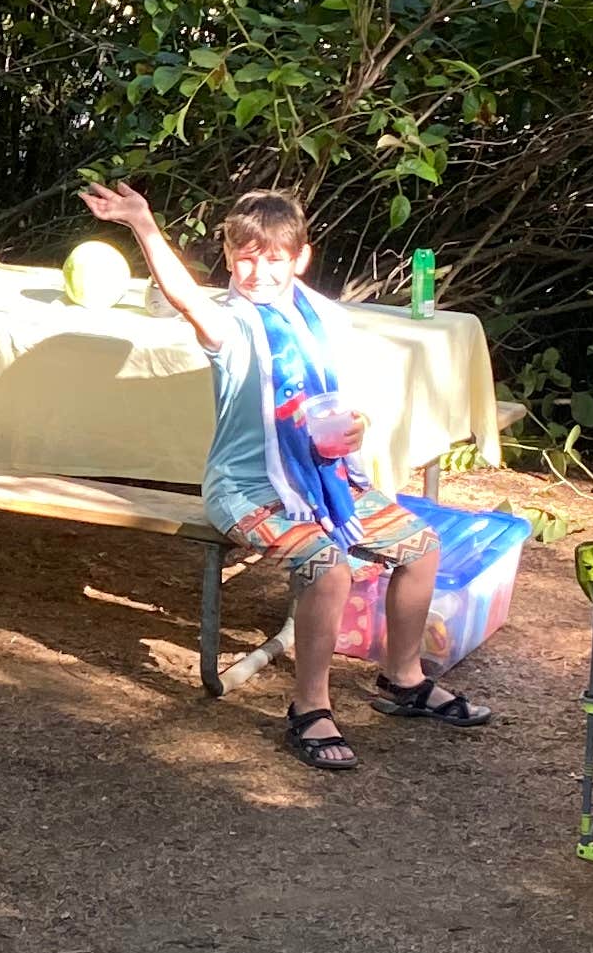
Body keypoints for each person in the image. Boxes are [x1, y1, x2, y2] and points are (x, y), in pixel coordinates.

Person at [80, 181, 489, 766]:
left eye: (273, 259)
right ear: (229, 258)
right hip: (246, 488)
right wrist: (143, 224)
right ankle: (310, 708)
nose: (258, 273)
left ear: (299, 258)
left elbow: (347, 403)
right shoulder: (231, 324)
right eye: (245, 258)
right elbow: (186, 298)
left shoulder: (322, 319)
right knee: (329, 568)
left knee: (422, 549)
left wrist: (357, 428)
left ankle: (404, 679)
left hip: (324, 479)